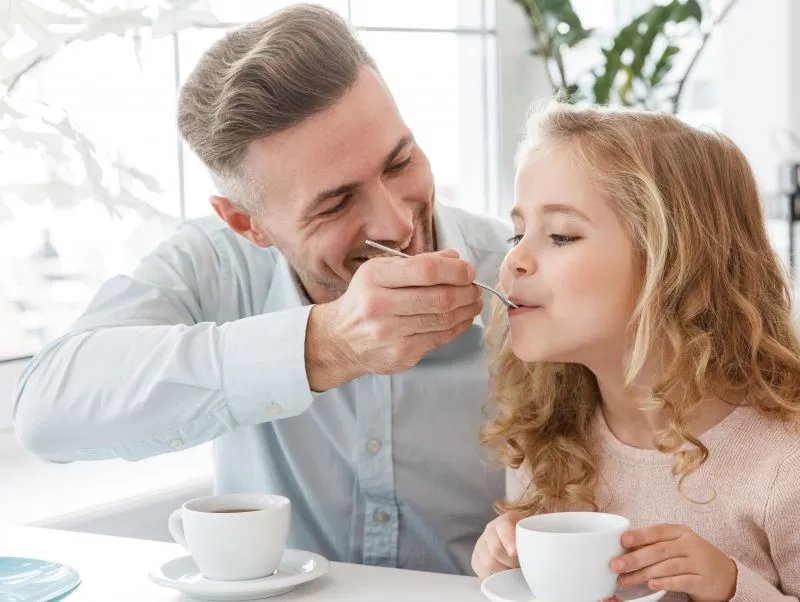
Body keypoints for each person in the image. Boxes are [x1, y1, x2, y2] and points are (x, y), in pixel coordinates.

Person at [12, 4, 510, 575]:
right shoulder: (213, 265)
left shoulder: (514, 273)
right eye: (337, 202)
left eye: (399, 162)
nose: (396, 224)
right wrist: (322, 347)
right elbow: (47, 411)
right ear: (247, 224)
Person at [470, 103, 800, 600]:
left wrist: (732, 587)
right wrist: (506, 563)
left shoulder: (783, 463)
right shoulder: (548, 442)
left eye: (561, 235)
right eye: (518, 233)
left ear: (676, 267)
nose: (514, 259)